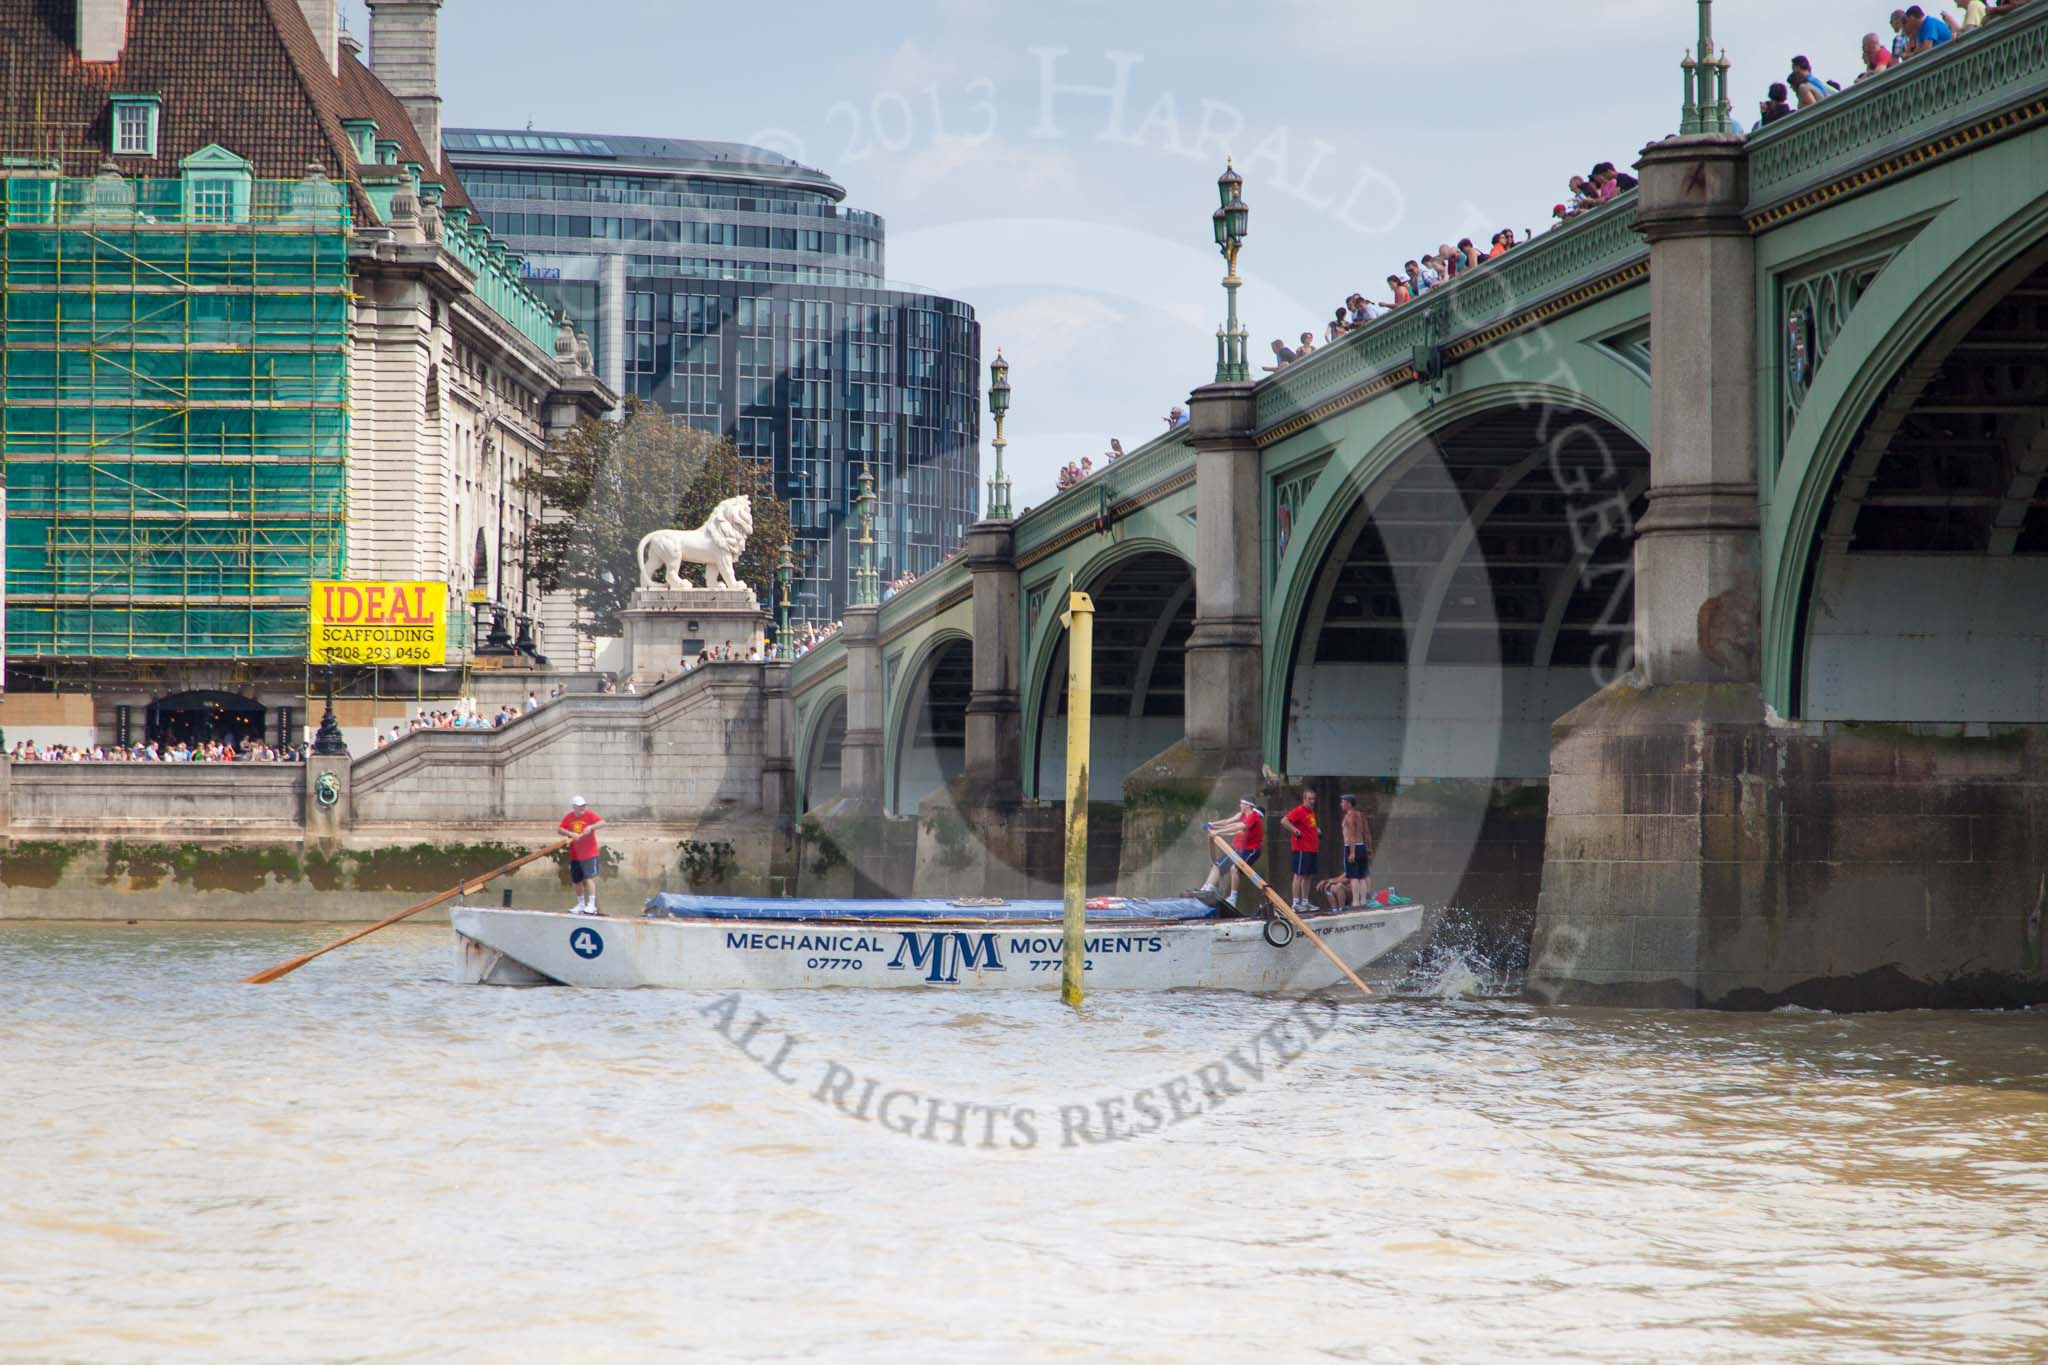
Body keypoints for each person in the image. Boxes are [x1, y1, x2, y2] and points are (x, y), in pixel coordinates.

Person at [1192, 797, 1264, 910]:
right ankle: (1208, 889)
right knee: (1217, 865)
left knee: (1234, 869)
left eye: (1241, 803)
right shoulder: (1241, 814)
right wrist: (1212, 824)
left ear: (1248, 805)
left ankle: (1233, 898)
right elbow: (1228, 822)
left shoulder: (1254, 817)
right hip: (1238, 848)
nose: (1239, 804)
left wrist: (1218, 831)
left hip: (1251, 850)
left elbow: (1236, 827)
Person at [559, 796, 605, 915]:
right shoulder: (569, 817)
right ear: (574, 807)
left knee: (589, 877)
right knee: (577, 880)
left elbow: (603, 823)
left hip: (590, 853)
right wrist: (570, 833)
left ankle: (591, 905)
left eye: (584, 805)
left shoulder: (589, 815)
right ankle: (581, 904)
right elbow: (560, 829)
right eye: (580, 806)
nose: (583, 808)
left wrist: (591, 827)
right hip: (576, 855)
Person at [1279, 787, 1319, 912]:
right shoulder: (1299, 810)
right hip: (1302, 848)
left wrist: (1317, 831)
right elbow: (1284, 821)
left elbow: (1309, 826)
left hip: (1312, 848)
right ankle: (1296, 903)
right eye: (1309, 799)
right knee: (1299, 875)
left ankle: (1305, 901)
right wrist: (1295, 831)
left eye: (1313, 799)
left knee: (1308, 875)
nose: (1312, 801)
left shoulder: (1311, 812)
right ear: (1304, 799)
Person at [1339, 794, 1374, 905]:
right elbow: (1367, 833)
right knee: (1362, 876)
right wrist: (1369, 848)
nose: (1341, 804)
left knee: (1354, 877)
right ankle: (1363, 900)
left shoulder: (1349, 816)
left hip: (1351, 847)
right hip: (1362, 846)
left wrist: (1352, 853)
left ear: (1349, 804)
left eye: (1343, 802)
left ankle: (1355, 901)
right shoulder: (1361, 815)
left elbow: (1352, 835)